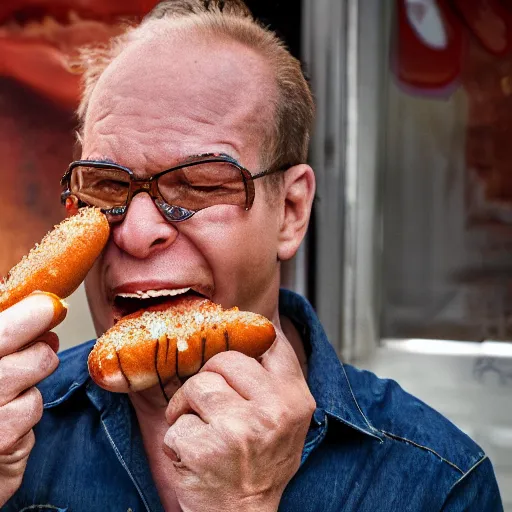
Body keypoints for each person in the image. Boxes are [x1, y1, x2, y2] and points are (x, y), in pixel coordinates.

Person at [0, 1, 504, 511]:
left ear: (290, 211)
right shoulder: (18, 430)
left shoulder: (438, 485)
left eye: (199, 184)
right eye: (106, 186)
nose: (136, 233)